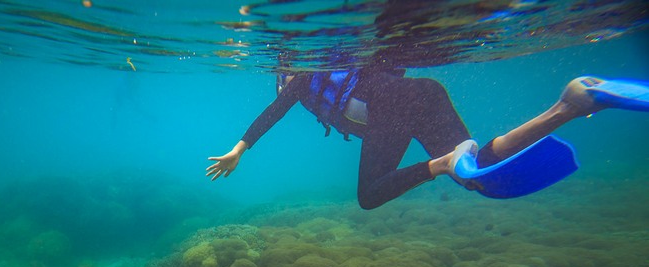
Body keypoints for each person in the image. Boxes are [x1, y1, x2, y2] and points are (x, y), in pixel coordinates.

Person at [206, 69, 642, 209]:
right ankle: (571, 104)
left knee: (369, 196)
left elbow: (273, 112)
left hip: (394, 104)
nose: (283, 86)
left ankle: (444, 164)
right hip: (423, 90)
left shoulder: (300, 82)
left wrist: (239, 149)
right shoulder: (335, 74)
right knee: (478, 173)